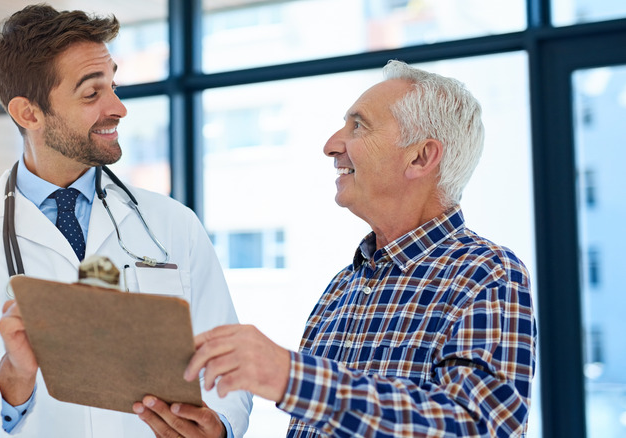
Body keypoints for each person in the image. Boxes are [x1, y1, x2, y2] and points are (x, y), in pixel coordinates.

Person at [0, 4, 251, 437]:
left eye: (113, 85)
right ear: (28, 113)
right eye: (92, 94)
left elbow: (226, 366)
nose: (118, 108)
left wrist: (219, 426)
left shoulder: (173, 224)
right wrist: (12, 375)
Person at [186, 60, 537, 437]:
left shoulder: (486, 273)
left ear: (420, 157)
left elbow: (478, 426)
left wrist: (291, 377)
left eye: (358, 126)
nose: (331, 145)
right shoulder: (341, 289)